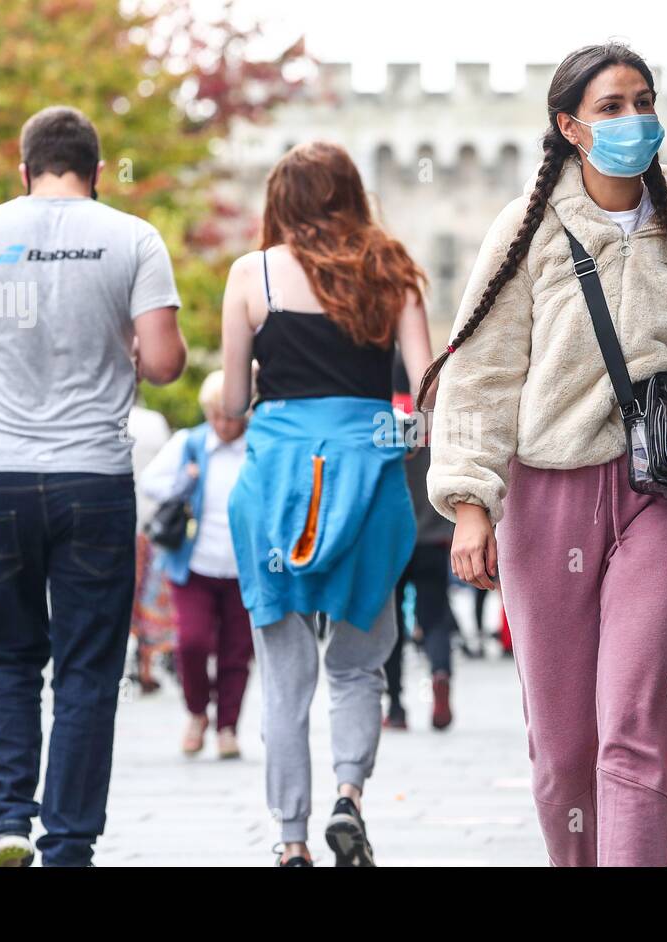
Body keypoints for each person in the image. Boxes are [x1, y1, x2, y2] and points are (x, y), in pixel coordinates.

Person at [421, 43, 667, 867]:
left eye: (644, 101)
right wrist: (470, 503)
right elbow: (481, 373)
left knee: (638, 732)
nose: (635, 120)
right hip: (547, 497)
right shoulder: (527, 230)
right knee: (561, 752)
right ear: (570, 127)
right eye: (613, 106)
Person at [0, 105, 186, 867]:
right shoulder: (134, 238)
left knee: (5, 653)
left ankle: (8, 818)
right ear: (97, 171)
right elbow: (167, 362)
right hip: (94, 478)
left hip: (0, 473)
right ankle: (68, 839)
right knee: (87, 665)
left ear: (24, 168)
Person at [220, 141, 433, 867]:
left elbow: (229, 403)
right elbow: (424, 393)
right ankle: (350, 795)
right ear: (353, 194)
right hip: (369, 481)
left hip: (278, 481)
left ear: (280, 200)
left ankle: (289, 837)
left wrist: (254, 374)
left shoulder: (253, 276)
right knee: (358, 663)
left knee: (284, 675)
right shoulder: (394, 270)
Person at [139, 371, 251, 760]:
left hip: (242, 569)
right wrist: (183, 483)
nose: (223, 424)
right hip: (194, 565)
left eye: (231, 416)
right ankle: (197, 712)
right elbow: (150, 482)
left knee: (237, 652)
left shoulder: (257, 448)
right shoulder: (189, 444)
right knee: (192, 643)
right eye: (216, 415)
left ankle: (227, 727)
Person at [385, 360, 456, 731]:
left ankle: (395, 706)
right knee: (435, 617)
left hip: (391, 539)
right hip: (433, 536)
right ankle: (440, 672)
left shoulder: (382, 419)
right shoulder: (436, 420)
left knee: (392, 623)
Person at [126, 398, 176, 694]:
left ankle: (127, 662)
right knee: (149, 596)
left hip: (114, 521)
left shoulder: (104, 417)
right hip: (151, 522)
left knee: (120, 595)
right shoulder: (154, 422)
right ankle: (146, 664)